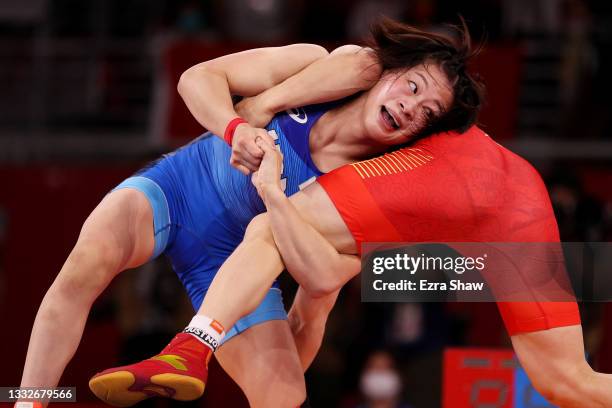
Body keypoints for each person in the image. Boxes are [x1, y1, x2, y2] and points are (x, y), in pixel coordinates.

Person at [19, 18, 483, 408]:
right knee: (86, 264)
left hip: (236, 264)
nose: (409, 107)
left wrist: (275, 197)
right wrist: (236, 127)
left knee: (284, 395)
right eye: (413, 86)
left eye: (427, 112)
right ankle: (29, 399)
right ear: (387, 72)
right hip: (179, 188)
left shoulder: (374, 183)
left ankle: (188, 351)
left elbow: (327, 276)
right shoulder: (317, 67)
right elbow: (195, 78)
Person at [96, 94, 612, 407]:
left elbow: (200, 80)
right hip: (516, 189)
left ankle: (190, 348)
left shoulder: (347, 83)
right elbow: (314, 300)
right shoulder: (341, 232)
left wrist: (247, 139)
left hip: (455, 172)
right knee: (569, 384)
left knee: (270, 231)